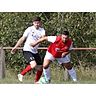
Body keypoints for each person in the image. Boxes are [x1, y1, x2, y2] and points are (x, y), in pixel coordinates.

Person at [11, 17, 45, 83]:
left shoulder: (42, 30)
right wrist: (15, 47)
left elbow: (43, 38)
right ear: (33, 23)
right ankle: (21, 74)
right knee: (34, 65)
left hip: (35, 51)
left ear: (40, 23)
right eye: (35, 23)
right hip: (27, 50)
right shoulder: (29, 29)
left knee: (40, 67)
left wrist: (37, 41)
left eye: (38, 23)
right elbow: (22, 38)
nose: (37, 24)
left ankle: (36, 82)